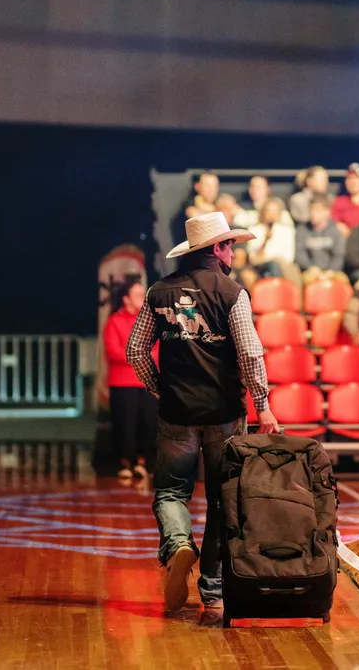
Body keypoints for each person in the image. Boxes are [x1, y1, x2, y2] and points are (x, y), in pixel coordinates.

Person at [125, 212, 279, 613]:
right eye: (230, 245)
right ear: (217, 249)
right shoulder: (231, 292)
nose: (233, 252)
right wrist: (262, 405)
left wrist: (160, 388)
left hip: (177, 413)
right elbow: (249, 351)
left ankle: (178, 545)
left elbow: (135, 350)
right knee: (220, 499)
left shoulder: (159, 292)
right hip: (225, 414)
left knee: (171, 492)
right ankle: (212, 586)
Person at [102, 279, 158, 481]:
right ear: (126, 299)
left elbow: (158, 350)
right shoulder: (114, 321)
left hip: (147, 382)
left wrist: (138, 356)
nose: (143, 299)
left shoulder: (151, 321)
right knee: (125, 424)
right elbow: (113, 350)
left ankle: (143, 462)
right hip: (122, 382)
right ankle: (125, 461)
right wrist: (140, 356)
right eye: (138, 295)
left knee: (148, 423)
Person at [242, 198, 300, 288]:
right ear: (263, 213)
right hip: (260, 267)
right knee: (273, 265)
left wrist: (270, 258)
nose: (272, 214)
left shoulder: (287, 231)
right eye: (269, 211)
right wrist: (266, 240)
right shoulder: (254, 230)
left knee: (277, 266)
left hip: (283, 267)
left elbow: (288, 257)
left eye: (275, 211)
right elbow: (254, 258)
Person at [295, 196, 347, 284]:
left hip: (332, 271)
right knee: (307, 281)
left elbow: (339, 255)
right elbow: (300, 253)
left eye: (318, 211)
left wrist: (331, 270)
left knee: (342, 281)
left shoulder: (335, 231)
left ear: (327, 212)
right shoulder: (302, 230)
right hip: (310, 271)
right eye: (311, 210)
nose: (313, 214)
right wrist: (310, 267)